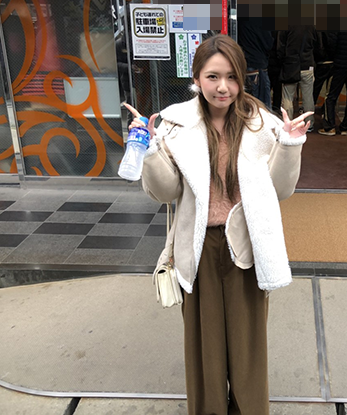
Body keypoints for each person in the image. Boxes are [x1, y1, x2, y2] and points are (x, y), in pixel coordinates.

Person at [124, 34, 311, 414]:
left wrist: (290, 146)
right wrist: (151, 149)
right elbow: (165, 192)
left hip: (246, 246)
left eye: (231, 77)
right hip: (199, 245)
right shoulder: (176, 125)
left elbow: (280, 190)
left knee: (247, 350)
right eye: (212, 76)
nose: (222, 87)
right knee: (204, 351)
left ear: (242, 77)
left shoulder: (263, 124)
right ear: (197, 78)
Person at [278, 24, 317, 131]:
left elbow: (280, 47)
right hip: (307, 64)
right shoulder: (311, 25)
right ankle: (309, 124)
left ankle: (288, 123)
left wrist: (283, 60)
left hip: (290, 65)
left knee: (287, 97)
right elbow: (317, 46)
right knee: (308, 96)